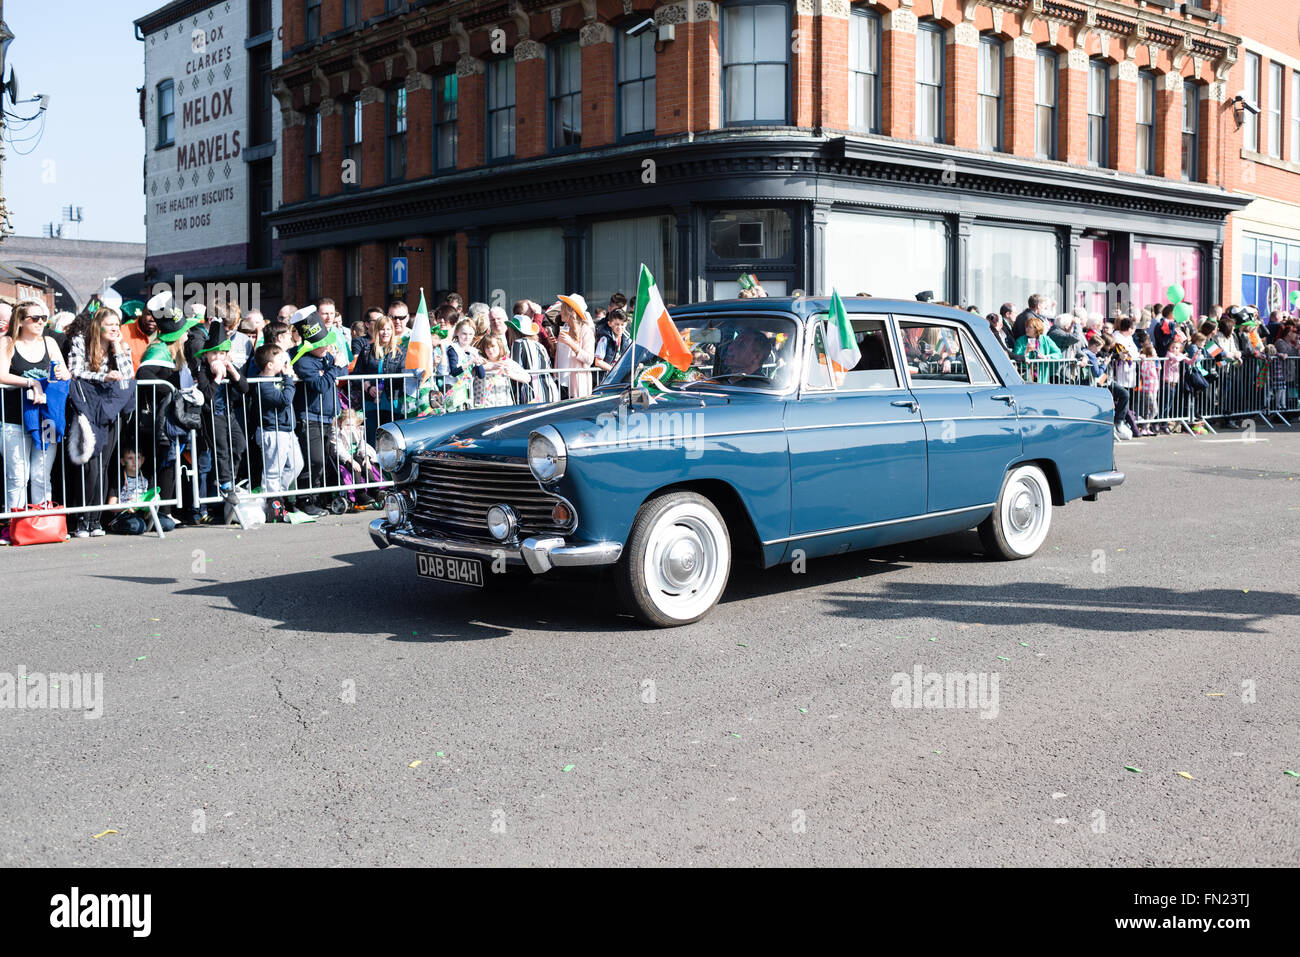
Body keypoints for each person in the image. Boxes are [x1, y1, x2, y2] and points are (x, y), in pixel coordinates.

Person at [0, 302, 72, 531]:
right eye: (35, 318)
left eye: (43, 317)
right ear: (20, 321)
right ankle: (16, 526)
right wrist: (31, 382)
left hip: (47, 418)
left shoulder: (49, 342)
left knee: (42, 474)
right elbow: (1, 375)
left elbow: (66, 373)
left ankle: (43, 524)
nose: (41, 321)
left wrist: (61, 373)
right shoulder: (7, 342)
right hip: (13, 418)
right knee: (18, 476)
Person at [66, 305, 136, 536]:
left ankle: (96, 519)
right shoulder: (80, 342)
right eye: (110, 325)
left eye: (118, 325)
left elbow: (128, 376)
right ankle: (81, 519)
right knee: (90, 466)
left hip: (110, 411)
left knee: (104, 464)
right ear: (98, 325)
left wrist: (117, 347)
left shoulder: (120, 345)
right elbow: (74, 372)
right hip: (87, 408)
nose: (115, 329)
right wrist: (103, 377)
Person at [291, 310, 346, 517]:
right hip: (310, 417)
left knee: (322, 461)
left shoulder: (326, 358)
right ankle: (304, 500)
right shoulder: (303, 361)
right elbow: (321, 385)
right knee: (313, 460)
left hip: (327, 416)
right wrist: (333, 368)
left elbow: (343, 373)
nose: (325, 347)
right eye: (320, 344)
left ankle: (315, 498)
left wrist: (334, 366)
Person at [195, 321, 251, 499]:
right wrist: (218, 376)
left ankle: (229, 477)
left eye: (221, 353)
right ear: (207, 354)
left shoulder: (228, 366)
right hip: (212, 415)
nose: (217, 357)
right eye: (214, 353)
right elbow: (207, 395)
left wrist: (232, 371)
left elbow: (244, 388)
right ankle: (225, 483)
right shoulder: (203, 369)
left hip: (229, 413)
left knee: (239, 444)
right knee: (221, 450)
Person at [253, 343, 302, 521]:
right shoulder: (262, 383)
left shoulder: (279, 378)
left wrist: (287, 379)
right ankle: (274, 508)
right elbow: (284, 400)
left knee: (297, 464)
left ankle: (277, 497)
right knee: (273, 471)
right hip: (272, 431)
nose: (285, 362)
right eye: (281, 359)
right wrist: (289, 380)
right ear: (270, 365)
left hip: (287, 429)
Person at [352, 313, 407, 445]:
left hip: (392, 403)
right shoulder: (366, 350)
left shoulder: (400, 351)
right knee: (372, 440)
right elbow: (355, 376)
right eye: (382, 329)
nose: (385, 332)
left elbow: (403, 377)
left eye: (388, 329)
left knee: (391, 442)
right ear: (377, 331)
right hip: (371, 403)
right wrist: (368, 387)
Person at [507, 313, 558, 405]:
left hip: (532, 391)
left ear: (514, 331)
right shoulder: (539, 345)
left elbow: (515, 367)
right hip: (550, 388)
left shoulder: (517, 343)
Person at [554, 294, 595, 398]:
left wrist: (571, 344)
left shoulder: (586, 330)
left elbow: (589, 359)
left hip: (577, 385)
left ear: (571, 312)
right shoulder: (565, 327)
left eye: (563, 308)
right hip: (561, 383)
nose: (560, 311)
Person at [472, 335, 529, 408]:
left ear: (499, 346)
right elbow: (470, 372)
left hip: (503, 404)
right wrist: (489, 367)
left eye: (493, 346)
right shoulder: (480, 360)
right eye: (487, 347)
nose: (490, 350)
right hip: (483, 406)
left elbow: (527, 378)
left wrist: (511, 374)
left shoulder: (507, 362)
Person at [593, 308, 631, 382]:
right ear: (609, 323)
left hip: (615, 379)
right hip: (604, 379)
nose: (619, 327)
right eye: (617, 324)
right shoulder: (604, 339)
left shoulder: (626, 339)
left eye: (622, 324)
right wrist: (615, 370)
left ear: (626, 324)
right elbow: (598, 362)